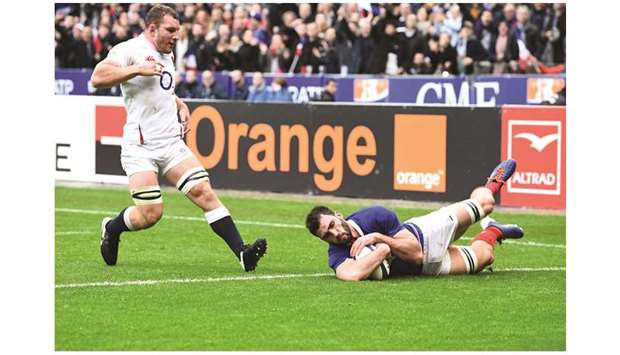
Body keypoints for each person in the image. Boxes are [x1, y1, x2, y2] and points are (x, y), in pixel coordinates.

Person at [90, 4, 267, 272]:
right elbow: (97, 77)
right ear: (152, 29)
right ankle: (112, 227)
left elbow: (159, 90)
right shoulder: (129, 50)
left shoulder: (167, 54)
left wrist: (179, 103)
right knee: (151, 214)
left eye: (178, 31)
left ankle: (243, 253)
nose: (176, 36)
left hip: (171, 143)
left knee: (203, 192)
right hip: (141, 147)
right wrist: (137, 69)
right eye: (170, 30)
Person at [305, 160, 523, 281]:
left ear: (338, 215)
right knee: (485, 257)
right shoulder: (336, 255)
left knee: (486, 204)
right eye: (327, 235)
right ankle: (494, 231)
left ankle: (492, 183)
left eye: (332, 225)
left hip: (425, 234)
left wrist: (380, 238)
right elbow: (352, 275)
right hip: (425, 269)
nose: (334, 234)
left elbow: (417, 253)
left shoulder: (373, 216)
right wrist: (382, 249)